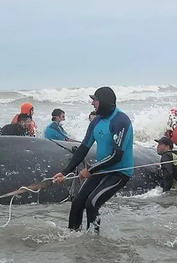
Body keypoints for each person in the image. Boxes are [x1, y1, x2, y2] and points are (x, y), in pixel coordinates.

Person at [53, 87, 133, 233]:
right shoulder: (96, 122)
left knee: (92, 202)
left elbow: (117, 156)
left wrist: (90, 170)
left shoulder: (121, 121)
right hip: (101, 169)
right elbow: (83, 148)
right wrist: (64, 172)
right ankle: (73, 236)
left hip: (119, 172)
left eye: (94, 100)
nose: (92, 104)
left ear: (103, 102)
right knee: (77, 202)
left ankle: (93, 242)